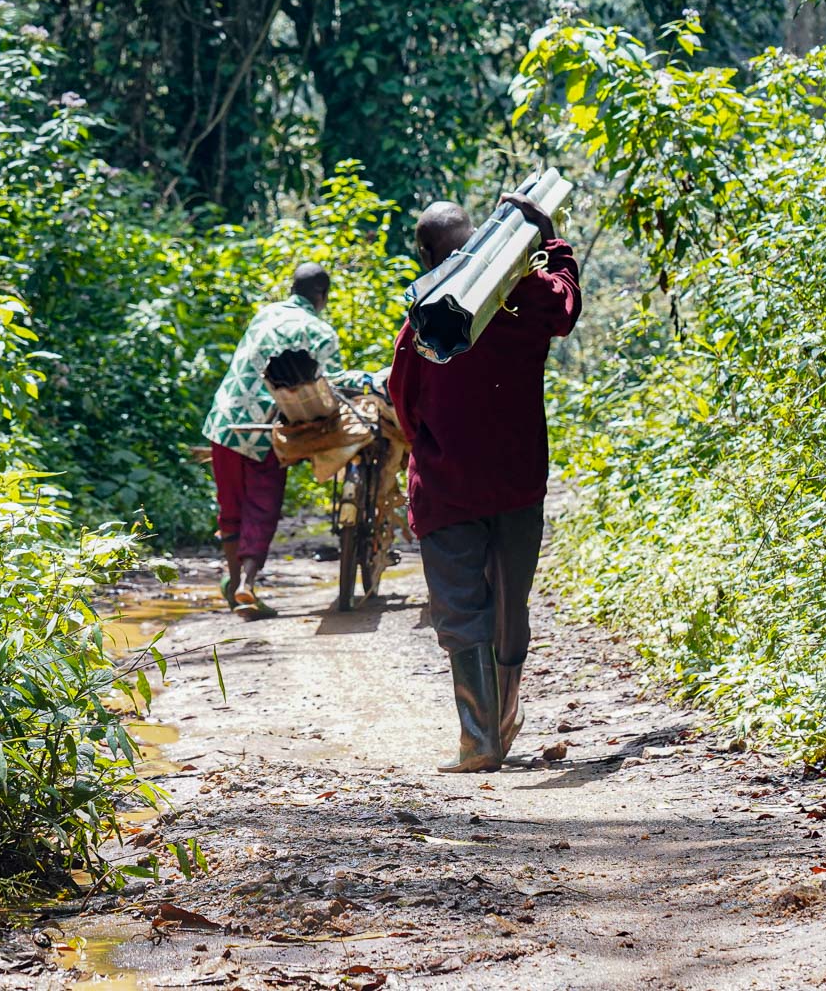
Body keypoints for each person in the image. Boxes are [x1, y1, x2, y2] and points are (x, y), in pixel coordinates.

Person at [387, 193, 581, 772]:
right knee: (510, 602)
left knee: (459, 606)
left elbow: (404, 401)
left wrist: (434, 446)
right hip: (517, 482)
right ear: (475, 239)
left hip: (447, 487)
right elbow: (566, 304)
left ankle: (479, 740)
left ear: (425, 256)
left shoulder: (421, 320)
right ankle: (504, 719)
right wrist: (551, 241)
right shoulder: (525, 298)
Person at [200, 263, 355, 616]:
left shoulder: (265, 315)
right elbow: (334, 385)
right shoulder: (320, 331)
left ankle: (236, 583)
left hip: (223, 422)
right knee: (261, 507)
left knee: (231, 508)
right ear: (322, 296)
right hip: (267, 430)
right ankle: (246, 586)